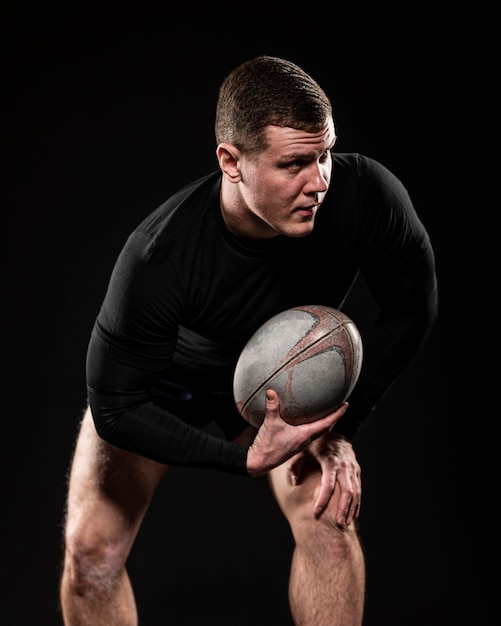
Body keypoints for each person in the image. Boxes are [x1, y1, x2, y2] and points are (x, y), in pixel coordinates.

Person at [59, 55, 438, 625]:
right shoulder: (158, 256)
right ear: (230, 161)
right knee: (91, 554)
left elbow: (413, 308)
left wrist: (342, 426)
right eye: (294, 164)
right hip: (166, 388)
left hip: (282, 388)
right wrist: (239, 458)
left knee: (331, 524)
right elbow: (114, 405)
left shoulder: (365, 197)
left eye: (325, 154)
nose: (319, 182)